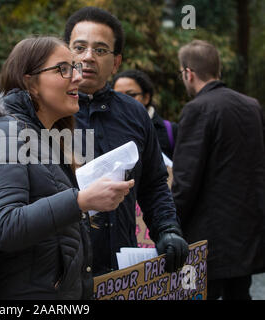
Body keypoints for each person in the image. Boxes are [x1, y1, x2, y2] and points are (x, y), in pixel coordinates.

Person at [0, 36, 135, 299]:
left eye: (76, 68)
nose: (77, 77)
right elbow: (5, 227)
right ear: (30, 82)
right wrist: (81, 200)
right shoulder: (3, 135)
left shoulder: (42, 137)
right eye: (63, 68)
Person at [63, 6, 189, 276]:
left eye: (100, 50)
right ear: (65, 52)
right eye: (79, 47)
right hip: (62, 271)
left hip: (121, 267)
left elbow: (154, 184)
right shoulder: (46, 111)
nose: (88, 57)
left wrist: (167, 229)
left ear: (116, 62)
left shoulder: (134, 113)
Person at [172, 39, 265, 300]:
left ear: (188, 73)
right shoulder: (251, 106)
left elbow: (185, 179)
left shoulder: (198, 109)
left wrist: (168, 223)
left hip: (208, 237)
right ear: (218, 69)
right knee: (240, 294)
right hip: (247, 230)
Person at [113, 70, 178, 159]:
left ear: (146, 98)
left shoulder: (171, 131)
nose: (124, 100)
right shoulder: (104, 128)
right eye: (118, 96)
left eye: (131, 95)